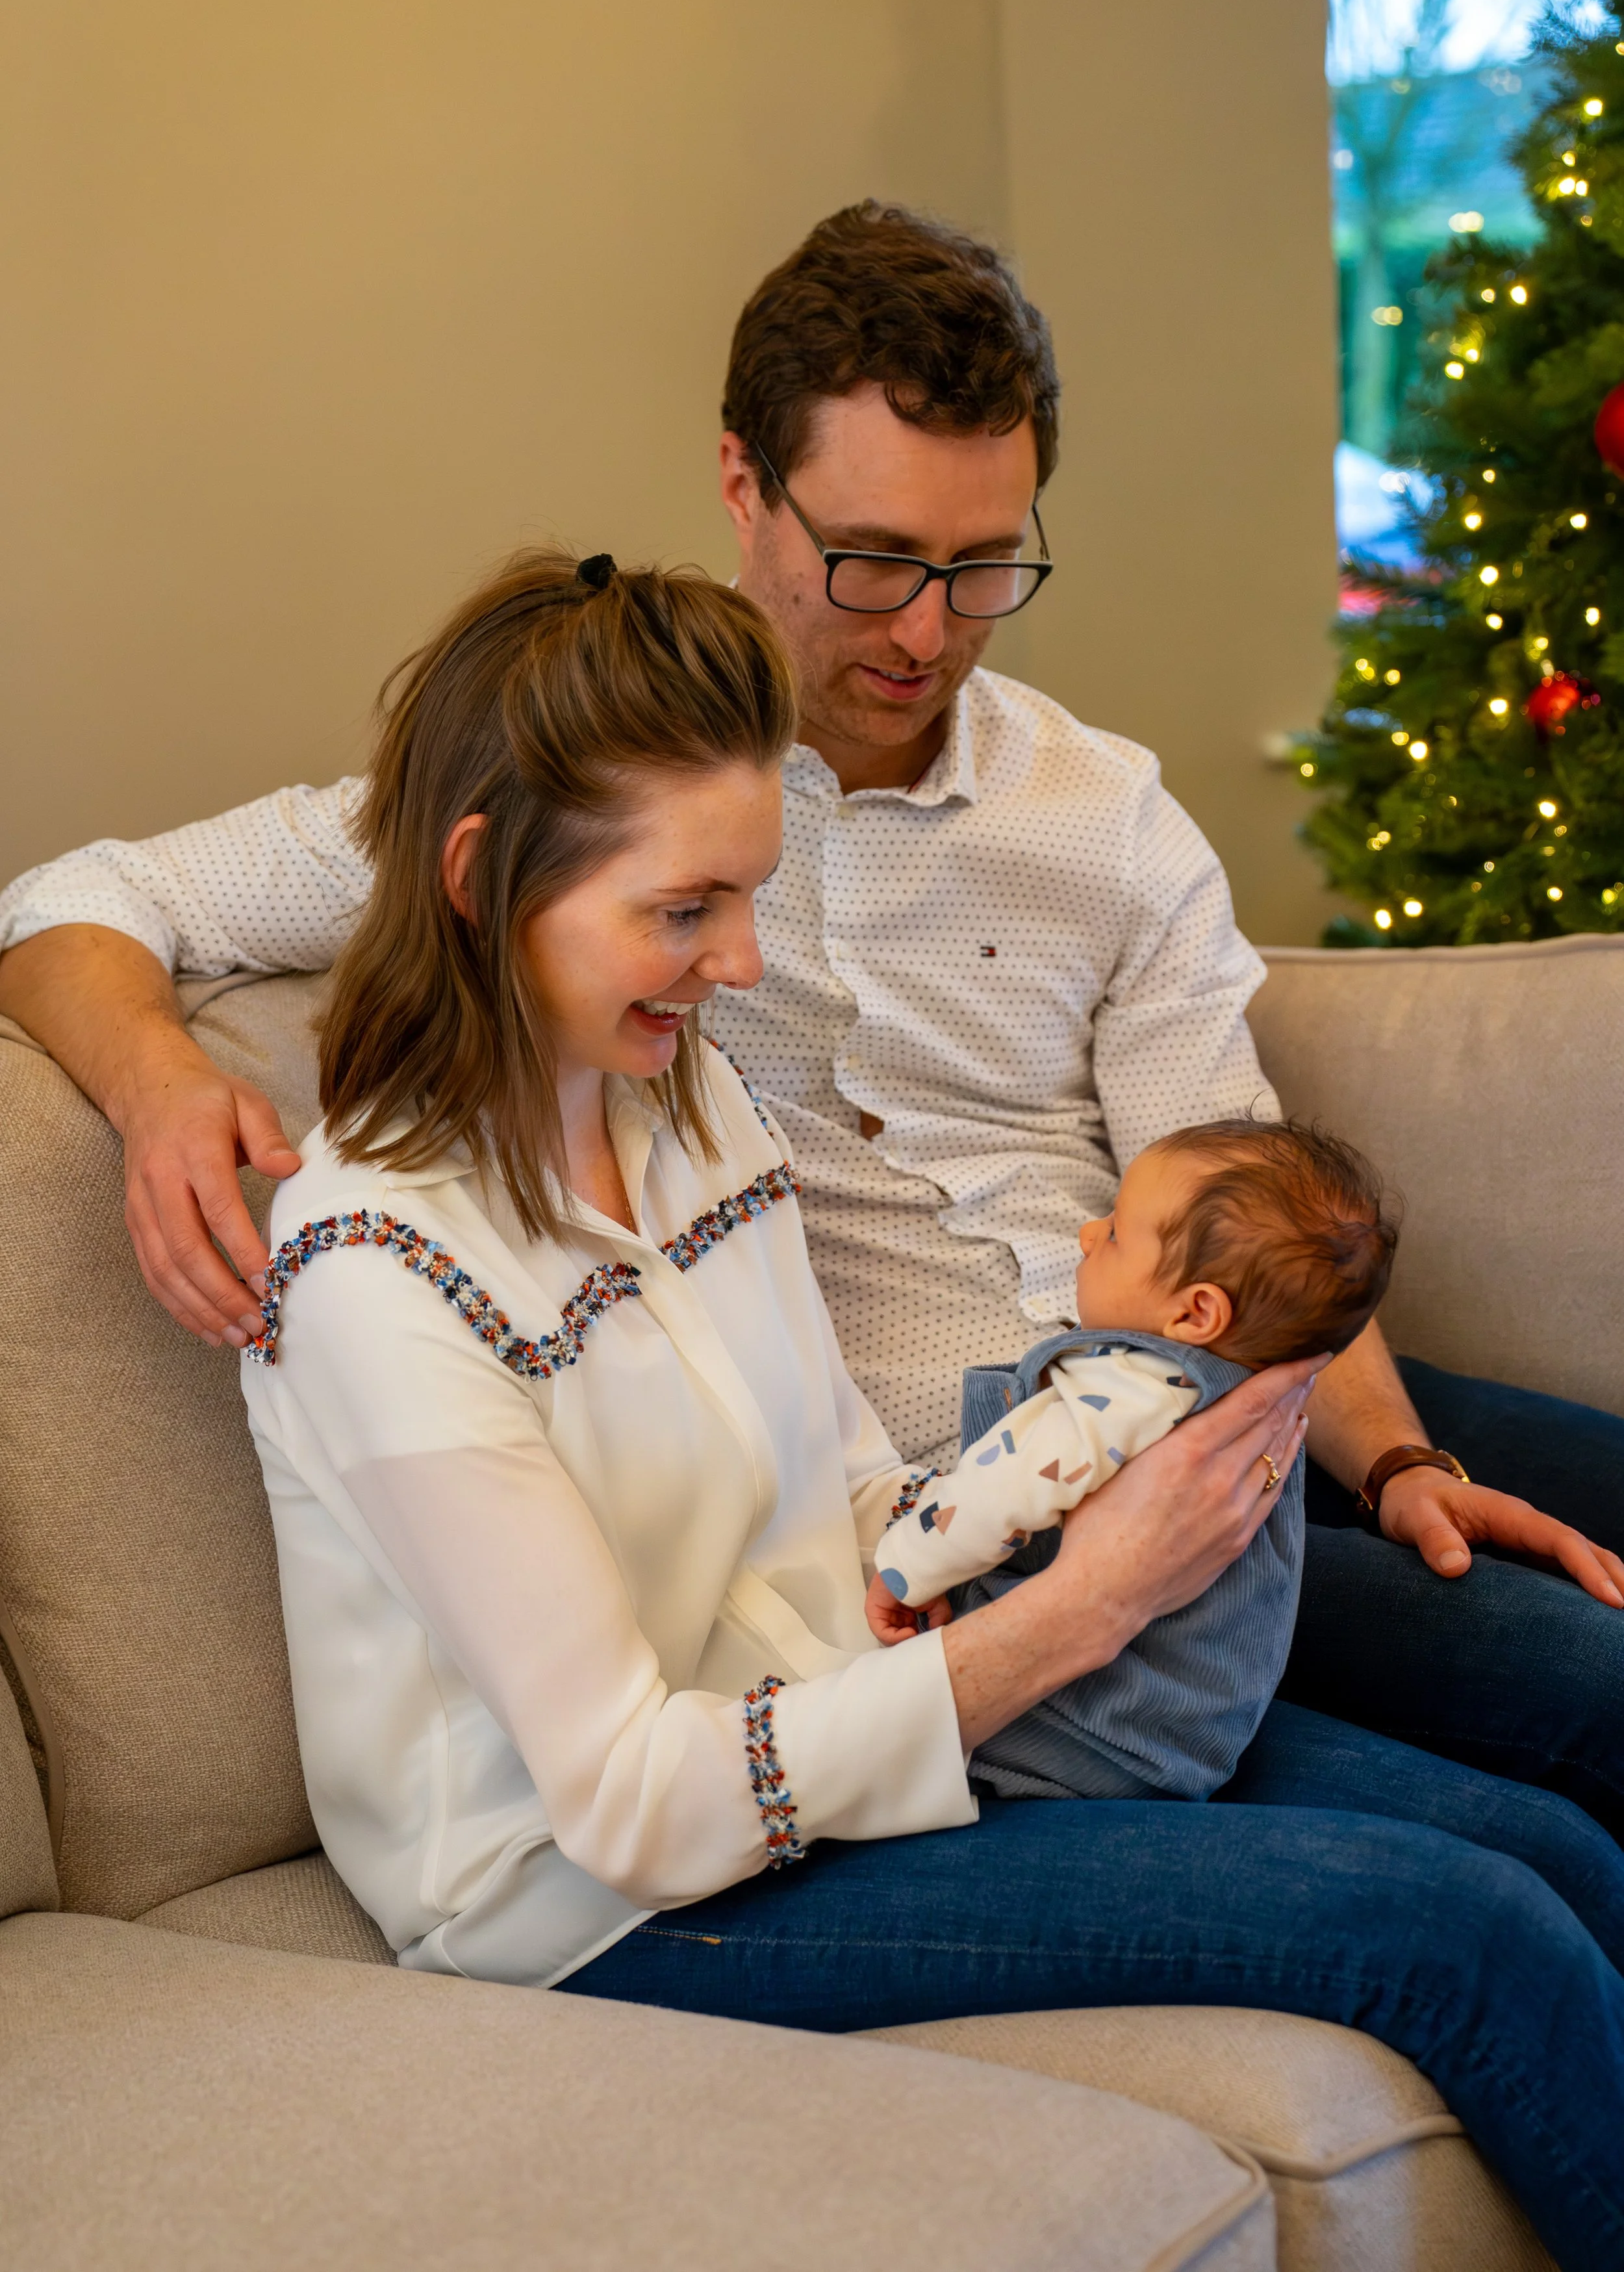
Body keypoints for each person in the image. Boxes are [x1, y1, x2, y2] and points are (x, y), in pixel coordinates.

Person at [2, 201, 1623, 1839]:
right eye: (872, 560)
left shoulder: (1102, 816)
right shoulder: (597, 805)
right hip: (997, 1522)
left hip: (1218, 1392)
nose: (925, 631)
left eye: (983, 565)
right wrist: (154, 1089)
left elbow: (1243, 1201)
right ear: (740, 484)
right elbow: (75, 899)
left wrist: (1397, 1466)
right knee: (1587, 1712)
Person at [245, 544, 1624, 2269]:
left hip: (874, 1700)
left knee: (1546, 1842)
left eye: (745, 896)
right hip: (608, 1902)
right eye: (682, 910)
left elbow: (833, 1469)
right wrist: (1087, 1604)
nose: (738, 962)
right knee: (1457, 1931)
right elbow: (629, 1803)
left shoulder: (678, 1108)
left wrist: (1039, 1548)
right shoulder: (376, 1269)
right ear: (477, 879)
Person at [869, 1116, 1396, 1806]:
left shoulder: (1124, 1388)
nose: (1088, 1233)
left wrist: (908, 1566)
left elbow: (1009, 1486)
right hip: (1189, 1727)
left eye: (1115, 1232)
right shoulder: (1253, 1383)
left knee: (882, 1735)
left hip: (1077, 1721)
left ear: (1195, 1312)